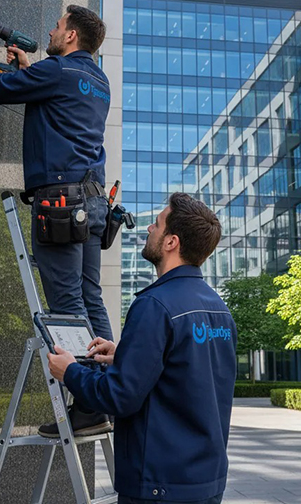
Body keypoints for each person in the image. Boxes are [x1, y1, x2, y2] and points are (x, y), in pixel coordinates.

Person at [0, 4, 114, 436]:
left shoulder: (58, 71)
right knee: (90, 298)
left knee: (67, 306)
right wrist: (31, 67)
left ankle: (87, 404)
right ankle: (106, 395)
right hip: (92, 204)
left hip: (59, 203)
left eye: (57, 26)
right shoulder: (97, 79)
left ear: (71, 36)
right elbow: (59, 102)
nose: (52, 31)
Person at [48, 193, 238, 504]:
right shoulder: (219, 309)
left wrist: (70, 372)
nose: (150, 228)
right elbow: (183, 372)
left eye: (158, 223)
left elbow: (119, 397)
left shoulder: (154, 305)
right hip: (207, 483)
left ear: (171, 242)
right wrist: (125, 355)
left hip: (158, 487)